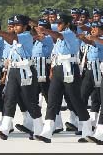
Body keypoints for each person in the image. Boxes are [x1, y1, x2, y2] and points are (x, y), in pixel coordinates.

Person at [34, 14, 92, 143]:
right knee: (52, 100)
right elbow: (55, 54)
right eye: (57, 23)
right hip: (58, 69)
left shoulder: (69, 33)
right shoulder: (59, 39)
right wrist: (52, 70)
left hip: (70, 68)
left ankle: (87, 129)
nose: (58, 25)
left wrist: (45, 31)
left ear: (66, 24)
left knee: (75, 100)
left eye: (60, 23)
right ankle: (47, 131)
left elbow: (58, 35)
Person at [0, 15, 42, 140]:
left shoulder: (26, 35)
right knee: (9, 98)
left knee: (30, 101)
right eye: (14, 25)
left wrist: (0, 32)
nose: (15, 27)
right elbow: (10, 40)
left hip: (25, 70)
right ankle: (4, 128)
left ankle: (39, 129)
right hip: (14, 70)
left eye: (18, 25)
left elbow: (12, 37)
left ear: (25, 26)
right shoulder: (15, 37)